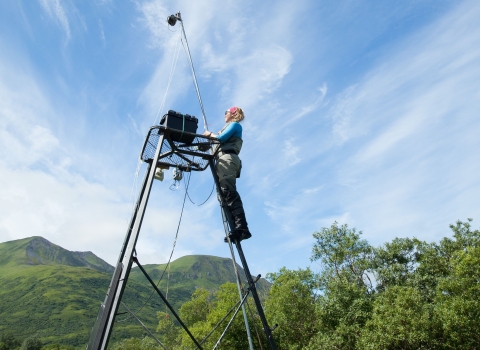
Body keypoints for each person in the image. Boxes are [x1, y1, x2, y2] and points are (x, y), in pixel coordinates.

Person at [204, 107, 252, 243]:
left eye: (226, 112)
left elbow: (221, 138)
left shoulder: (235, 125)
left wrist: (210, 134)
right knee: (223, 194)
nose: (224, 114)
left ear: (233, 113)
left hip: (228, 158)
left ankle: (241, 228)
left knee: (228, 192)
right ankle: (235, 228)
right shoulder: (228, 126)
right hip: (223, 159)